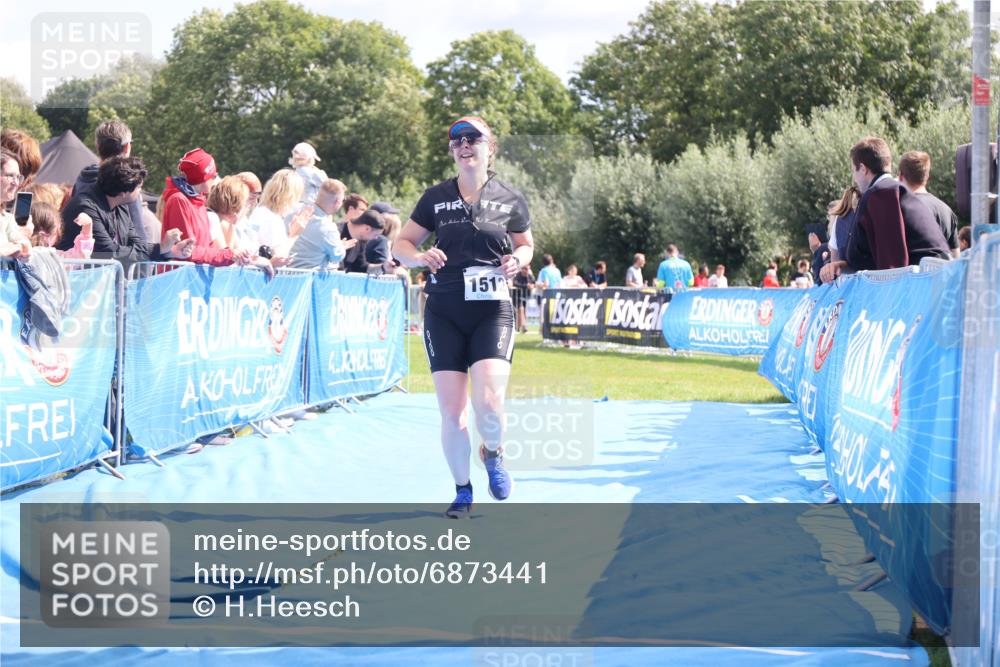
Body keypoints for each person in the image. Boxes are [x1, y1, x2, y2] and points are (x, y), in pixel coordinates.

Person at [393, 115, 533, 518]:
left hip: (492, 311)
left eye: (473, 138)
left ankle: (492, 453)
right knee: (453, 413)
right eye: (456, 139)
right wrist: (418, 257)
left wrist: (517, 261)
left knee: (489, 403)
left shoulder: (509, 197)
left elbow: (526, 245)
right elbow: (401, 243)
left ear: (491, 147)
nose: (464, 144)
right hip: (444, 310)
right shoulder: (435, 197)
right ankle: (462, 491)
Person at [835, 136, 949, 277]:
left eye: (854, 171)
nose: (854, 178)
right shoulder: (894, 191)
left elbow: (893, 264)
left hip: (925, 283)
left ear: (863, 169)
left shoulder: (882, 193)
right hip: (933, 278)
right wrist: (844, 265)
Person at [58, 156, 193, 266]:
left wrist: (170, 250)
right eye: (139, 187)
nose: (140, 191)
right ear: (123, 192)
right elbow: (108, 252)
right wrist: (161, 248)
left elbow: (137, 244)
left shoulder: (120, 204)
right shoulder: (86, 207)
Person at [162, 148, 251, 267]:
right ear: (203, 179)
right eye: (213, 176)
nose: (215, 179)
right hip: (179, 279)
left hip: (194, 279)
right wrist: (229, 255)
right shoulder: (179, 200)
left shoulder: (199, 201)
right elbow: (187, 250)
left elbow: (208, 247)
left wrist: (237, 256)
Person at [74, 120, 150, 242]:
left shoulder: (82, 180)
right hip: (115, 256)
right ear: (127, 147)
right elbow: (138, 233)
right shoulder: (126, 184)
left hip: (84, 253)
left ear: (98, 146)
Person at [897, 151, 960, 258]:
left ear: (901, 176)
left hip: (908, 273)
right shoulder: (946, 210)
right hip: (940, 273)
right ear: (927, 176)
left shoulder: (898, 209)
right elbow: (955, 257)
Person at [246, 169, 311, 258]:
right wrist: (294, 235)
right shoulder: (272, 219)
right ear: (290, 196)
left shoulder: (260, 210)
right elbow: (279, 257)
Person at [288, 179, 350, 270]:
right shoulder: (328, 228)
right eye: (343, 200)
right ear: (337, 202)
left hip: (281, 275)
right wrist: (342, 246)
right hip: (306, 280)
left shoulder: (294, 209)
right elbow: (337, 257)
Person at [28, 202, 94, 259]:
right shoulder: (55, 258)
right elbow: (81, 255)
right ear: (56, 229)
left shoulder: (19, 255)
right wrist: (87, 226)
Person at [1, 150, 30, 258]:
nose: (16, 183)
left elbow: (24, 245)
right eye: (10, 176)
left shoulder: (6, 218)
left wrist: (22, 244)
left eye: (18, 177)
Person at [289, 142, 328, 206]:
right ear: (310, 159)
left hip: (295, 207)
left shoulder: (293, 173)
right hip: (311, 209)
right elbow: (328, 185)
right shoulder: (314, 173)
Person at [512, 263, 535, 333]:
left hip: (525, 296)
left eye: (528, 269)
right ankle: (524, 326)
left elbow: (534, 282)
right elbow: (515, 283)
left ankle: (518, 327)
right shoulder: (518, 275)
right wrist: (526, 286)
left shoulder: (529, 276)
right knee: (521, 309)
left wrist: (532, 286)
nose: (527, 271)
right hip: (517, 296)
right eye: (526, 269)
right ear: (522, 269)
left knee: (522, 311)